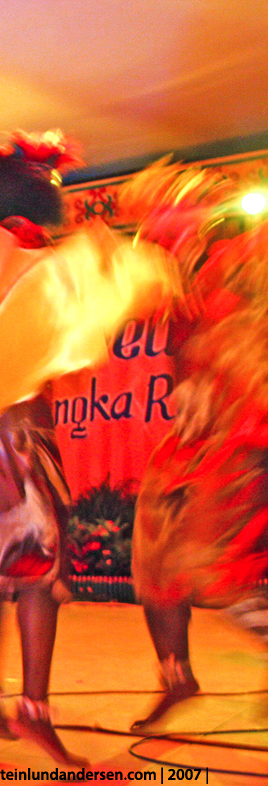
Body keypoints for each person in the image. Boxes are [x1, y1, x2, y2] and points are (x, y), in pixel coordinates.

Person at [0, 131, 170, 765]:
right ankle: (35, 712)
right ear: (25, 207)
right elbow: (29, 319)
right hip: (12, 437)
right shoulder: (4, 253)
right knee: (35, 575)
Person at [123, 163, 268, 730]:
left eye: (160, 227)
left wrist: (230, 372)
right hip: (197, 438)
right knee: (154, 560)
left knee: (219, 570)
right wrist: (188, 385)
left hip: (246, 432)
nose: (153, 241)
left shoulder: (244, 261)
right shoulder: (176, 284)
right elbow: (180, 348)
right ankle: (176, 675)